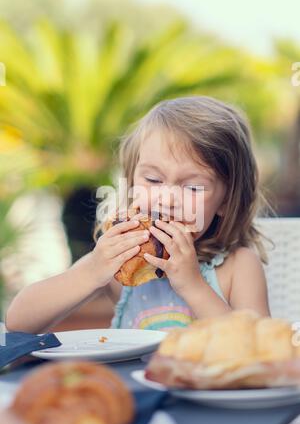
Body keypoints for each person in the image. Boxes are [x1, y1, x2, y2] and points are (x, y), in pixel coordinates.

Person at [6, 96, 270, 334]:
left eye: (192, 187)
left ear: (227, 200)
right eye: (153, 179)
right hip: (132, 388)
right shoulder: (123, 261)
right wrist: (91, 272)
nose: (167, 199)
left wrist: (193, 285)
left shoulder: (237, 265)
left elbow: (258, 349)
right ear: (132, 182)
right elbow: (19, 322)